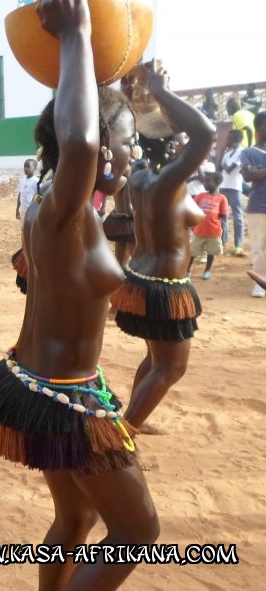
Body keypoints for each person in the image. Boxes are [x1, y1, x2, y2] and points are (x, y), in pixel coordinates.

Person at [0, 0, 158, 589]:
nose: (135, 154)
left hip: (39, 384)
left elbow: (81, 144)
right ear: (101, 147)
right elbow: (78, 141)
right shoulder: (63, 207)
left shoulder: (64, 207)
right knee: (137, 533)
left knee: (76, 515)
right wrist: (77, 34)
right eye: (128, 142)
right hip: (61, 397)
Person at [111, 63, 215, 434]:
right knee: (172, 367)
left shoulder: (142, 175)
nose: (187, 145)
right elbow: (205, 131)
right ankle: (125, 430)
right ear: (172, 144)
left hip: (142, 278)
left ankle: (133, 417)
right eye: (180, 140)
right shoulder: (168, 179)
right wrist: (161, 90)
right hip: (164, 285)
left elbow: (188, 134)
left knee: (157, 358)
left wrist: (150, 99)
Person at [240, 110, 266, 298]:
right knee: (259, 247)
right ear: (259, 129)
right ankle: (261, 282)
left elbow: (256, 174)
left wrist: (260, 171)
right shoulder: (248, 152)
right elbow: (248, 175)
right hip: (259, 206)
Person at [187, 170, 227, 280]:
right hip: (199, 231)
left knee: (211, 252)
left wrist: (222, 233)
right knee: (192, 252)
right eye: (205, 181)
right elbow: (192, 210)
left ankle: (207, 270)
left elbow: (222, 216)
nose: (205, 184)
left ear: (217, 183)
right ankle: (187, 270)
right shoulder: (199, 196)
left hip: (214, 232)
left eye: (208, 182)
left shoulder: (222, 198)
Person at [218, 129, 246, 256]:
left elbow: (228, 169)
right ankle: (223, 242)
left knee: (237, 217)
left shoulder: (242, 152)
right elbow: (218, 168)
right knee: (223, 216)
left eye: (228, 139)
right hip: (223, 187)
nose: (226, 141)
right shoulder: (227, 154)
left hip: (235, 188)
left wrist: (222, 159)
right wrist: (222, 153)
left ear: (236, 140)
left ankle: (238, 245)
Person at [15, 158, 38, 223]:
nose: (25, 168)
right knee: (23, 228)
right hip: (22, 210)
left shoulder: (36, 181)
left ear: (34, 168)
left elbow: (40, 195)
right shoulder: (22, 181)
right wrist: (17, 209)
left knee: (31, 228)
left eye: (28, 166)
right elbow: (20, 195)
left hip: (32, 211)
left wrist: (35, 208)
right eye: (24, 166)